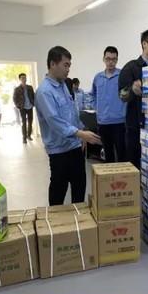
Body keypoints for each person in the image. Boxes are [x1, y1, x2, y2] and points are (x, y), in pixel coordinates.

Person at [36, 46, 101, 206]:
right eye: (65, 65)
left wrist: (82, 130)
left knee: (80, 187)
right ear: (53, 64)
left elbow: (72, 112)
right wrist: (80, 134)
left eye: (69, 65)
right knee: (58, 191)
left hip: (75, 147)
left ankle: (78, 218)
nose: (68, 69)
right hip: (59, 152)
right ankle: (55, 220)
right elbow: (54, 121)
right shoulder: (44, 92)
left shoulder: (63, 85)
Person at [119, 28, 148, 169]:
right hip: (136, 129)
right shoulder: (130, 67)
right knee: (136, 167)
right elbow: (122, 96)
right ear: (144, 43)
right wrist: (132, 90)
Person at [92, 46, 127, 163]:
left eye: (113, 59)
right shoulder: (98, 77)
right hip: (103, 122)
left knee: (122, 154)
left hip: (119, 122)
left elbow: (127, 95)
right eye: (108, 59)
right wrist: (97, 110)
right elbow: (93, 95)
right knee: (108, 155)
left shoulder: (122, 75)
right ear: (103, 59)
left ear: (117, 60)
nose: (110, 62)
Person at [13, 73, 35, 144]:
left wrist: (33, 103)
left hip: (30, 107)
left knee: (30, 122)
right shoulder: (17, 89)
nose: (24, 79)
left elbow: (33, 96)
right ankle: (24, 138)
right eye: (22, 78)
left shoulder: (30, 87)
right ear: (20, 79)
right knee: (24, 123)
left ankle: (29, 135)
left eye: (25, 77)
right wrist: (18, 106)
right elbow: (14, 98)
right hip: (22, 108)